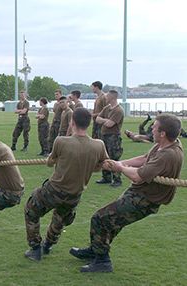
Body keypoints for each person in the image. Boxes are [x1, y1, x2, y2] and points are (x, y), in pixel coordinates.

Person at [70, 114, 183, 273]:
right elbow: (144, 159)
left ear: (163, 133)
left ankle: (102, 261)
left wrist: (120, 168)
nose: (151, 128)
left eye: (155, 127)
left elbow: (137, 176)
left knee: (100, 218)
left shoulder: (168, 154)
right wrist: (121, 163)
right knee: (112, 222)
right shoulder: (164, 145)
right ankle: (96, 250)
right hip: (138, 193)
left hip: (145, 200)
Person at [24, 108, 109, 261]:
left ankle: (36, 248)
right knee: (60, 219)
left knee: (31, 210)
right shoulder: (99, 145)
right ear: (89, 124)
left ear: (72, 122)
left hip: (54, 190)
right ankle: (48, 245)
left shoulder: (61, 141)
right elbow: (102, 165)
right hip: (74, 195)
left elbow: (50, 163)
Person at [95, 90, 124, 187]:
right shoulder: (107, 108)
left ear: (112, 97)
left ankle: (117, 180)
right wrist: (105, 120)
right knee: (104, 156)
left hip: (113, 137)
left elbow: (110, 124)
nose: (105, 97)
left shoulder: (118, 110)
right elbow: (97, 119)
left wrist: (104, 121)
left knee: (114, 157)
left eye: (107, 96)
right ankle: (106, 177)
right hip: (104, 136)